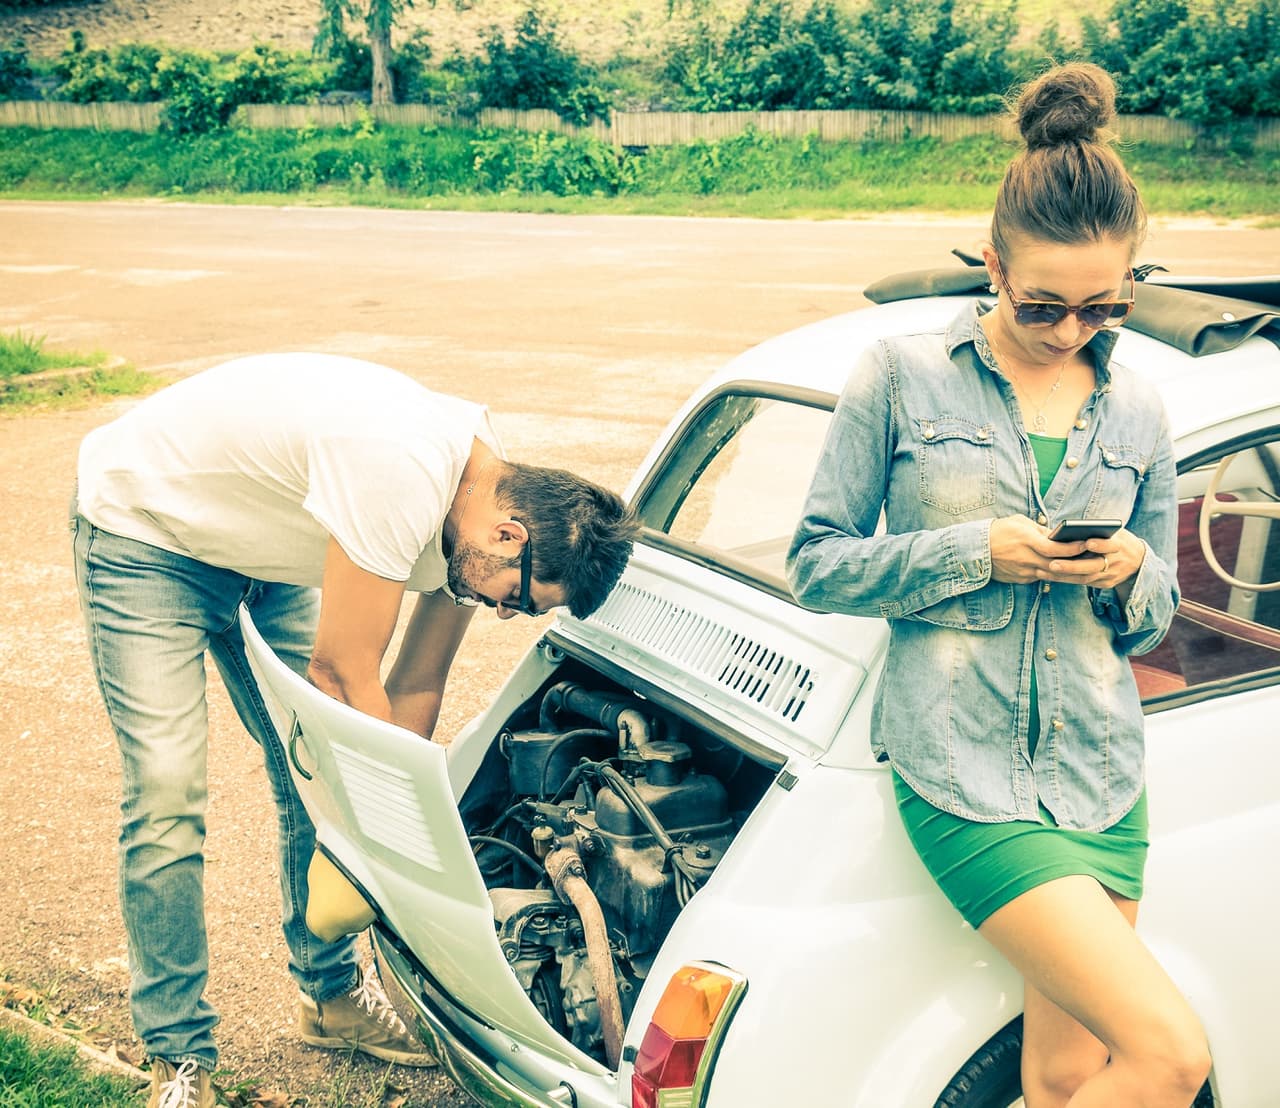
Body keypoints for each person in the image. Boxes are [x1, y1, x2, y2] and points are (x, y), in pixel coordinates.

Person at [787, 65, 1211, 1107]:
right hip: (963, 774)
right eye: (1043, 306)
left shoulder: (1140, 408)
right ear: (992, 265)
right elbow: (815, 564)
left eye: (1102, 307)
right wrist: (974, 550)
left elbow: (1153, 618)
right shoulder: (898, 375)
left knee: (1066, 1074)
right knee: (1170, 1058)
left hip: (1101, 772)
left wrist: (1129, 570)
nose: (1070, 331)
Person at [70, 351, 638, 1108]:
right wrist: (391, 833)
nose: (506, 614)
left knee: (313, 774)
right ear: (509, 536)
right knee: (168, 793)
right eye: (521, 599)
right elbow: (343, 671)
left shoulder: (480, 510)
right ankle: (178, 1056)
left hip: (263, 552)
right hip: (147, 535)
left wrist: (391, 826)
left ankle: (329, 998)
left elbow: (417, 682)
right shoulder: (400, 472)